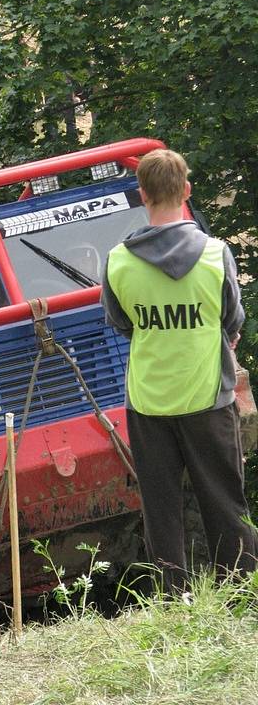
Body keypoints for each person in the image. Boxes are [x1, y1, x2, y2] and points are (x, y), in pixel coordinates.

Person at [101, 148, 258, 592]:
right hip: (209, 395)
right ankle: (241, 590)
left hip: (148, 400)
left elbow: (120, 323)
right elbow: (233, 321)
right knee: (225, 500)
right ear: (186, 190)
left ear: (142, 194)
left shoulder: (118, 261)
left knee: (161, 507)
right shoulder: (216, 254)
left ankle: (174, 599)